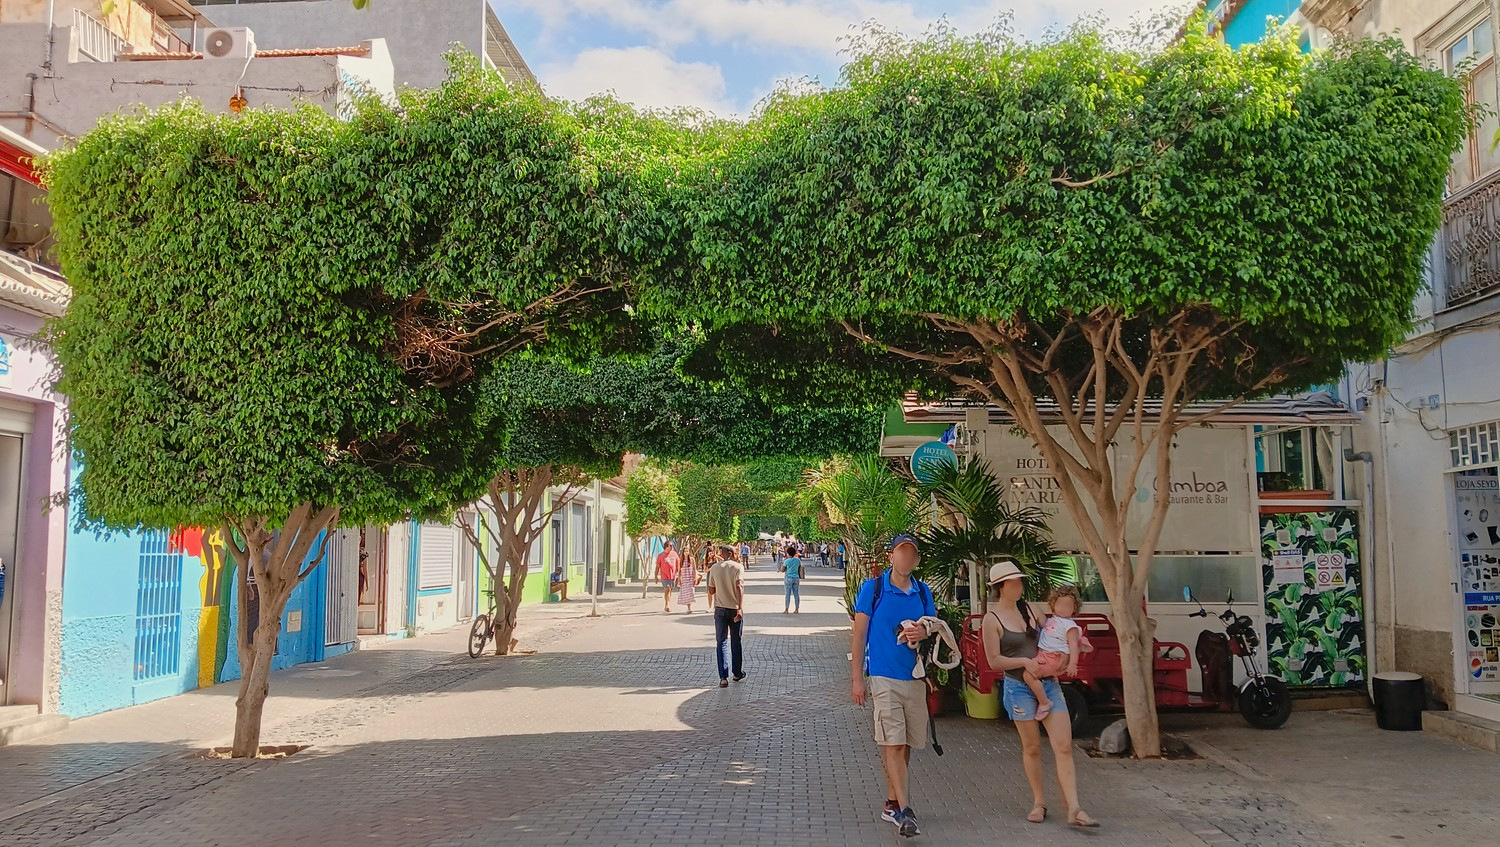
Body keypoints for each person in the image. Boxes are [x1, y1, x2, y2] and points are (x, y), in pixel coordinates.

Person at [980, 560, 1099, 829]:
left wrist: (1076, 644)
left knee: (1064, 745)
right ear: (1001, 587)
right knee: (1032, 747)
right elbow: (994, 661)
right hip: (1018, 686)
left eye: (1020, 581)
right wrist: (1023, 663)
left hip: (1048, 683)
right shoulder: (992, 619)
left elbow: (1057, 628)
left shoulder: (1031, 609)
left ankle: (1074, 808)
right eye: (1013, 582)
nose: (1019, 586)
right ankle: (1039, 802)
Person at [851, 533, 936, 838]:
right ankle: (905, 811)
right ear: (891, 557)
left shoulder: (923, 592)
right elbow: (859, 635)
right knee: (894, 743)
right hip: (883, 677)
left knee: (907, 745)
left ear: (916, 559)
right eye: (901, 552)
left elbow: (933, 626)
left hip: (913, 677)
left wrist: (921, 633)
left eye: (911, 553)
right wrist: (858, 678)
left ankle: (891, 802)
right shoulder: (873, 589)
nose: (906, 558)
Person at [1021, 584, 1087, 718]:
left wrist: (1072, 663)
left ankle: (1044, 702)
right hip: (1045, 655)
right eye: (1060, 604)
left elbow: (1074, 645)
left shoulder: (1070, 626)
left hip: (1053, 657)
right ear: (1053, 604)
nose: (1063, 608)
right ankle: (1047, 688)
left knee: (1028, 675)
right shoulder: (1054, 620)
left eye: (1068, 605)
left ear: (1075, 608)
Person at [707, 544, 746, 687]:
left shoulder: (715, 568)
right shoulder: (738, 567)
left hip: (720, 609)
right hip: (734, 608)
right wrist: (740, 608)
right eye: (735, 551)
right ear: (730, 552)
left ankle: (723, 677)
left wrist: (720, 586)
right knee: (736, 641)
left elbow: (711, 591)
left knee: (721, 642)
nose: (737, 553)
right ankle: (737, 673)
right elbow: (739, 586)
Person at [655, 541, 680, 614]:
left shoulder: (674, 554)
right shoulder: (661, 555)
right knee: (667, 589)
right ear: (666, 546)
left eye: (672, 545)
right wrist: (656, 575)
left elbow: (678, 563)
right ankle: (667, 605)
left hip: (673, 576)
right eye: (670, 545)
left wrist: (678, 573)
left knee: (670, 590)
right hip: (664, 575)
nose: (672, 547)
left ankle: (668, 603)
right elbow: (657, 566)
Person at [781, 546, 803, 613]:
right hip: (796, 578)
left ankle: (786, 609)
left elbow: (782, 570)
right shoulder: (798, 560)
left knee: (787, 594)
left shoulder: (786, 561)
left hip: (788, 578)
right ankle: (796, 609)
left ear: (788, 553)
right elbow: (799, 568)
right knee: (796, 593)